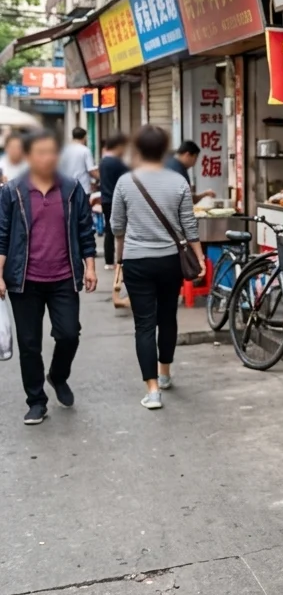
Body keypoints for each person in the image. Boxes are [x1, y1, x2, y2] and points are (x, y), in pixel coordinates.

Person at [0, 129, 98, 424]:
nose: (47, 158)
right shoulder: (12, 191)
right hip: (24, 280)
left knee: (69, 333)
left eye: (51, 152)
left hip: (63, 277)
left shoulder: (71, 189)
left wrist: (90, 266)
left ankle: (57, 374)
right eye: (40, 152)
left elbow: (85, 230)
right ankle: (36, 401)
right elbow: (2, 235)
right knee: (29, 344)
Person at [111, 124, 204, 410]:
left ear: (137, 149)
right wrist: (199, 257)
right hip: (169, 262)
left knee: (144, 325)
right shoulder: (178, 182)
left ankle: (152, 391)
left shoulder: (125, 182)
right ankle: (164, 374)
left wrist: (119, 259)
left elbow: (117, 226)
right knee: (168, 316)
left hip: (137, 261)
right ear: (166, 150)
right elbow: (189, 226)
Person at [99, 133, 130, 270]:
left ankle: (108, 261)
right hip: (116, 199)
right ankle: (120, 259)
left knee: (109, 229)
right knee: (118, 230)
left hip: (105, 198)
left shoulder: (104, 161)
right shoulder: (118, 163)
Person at [59, 126, 98, 196]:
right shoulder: (85, 150)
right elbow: (91, 170)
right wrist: (101, 178)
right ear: (84, 137)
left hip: (67, 188)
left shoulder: (64, 150)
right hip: (83, 188)